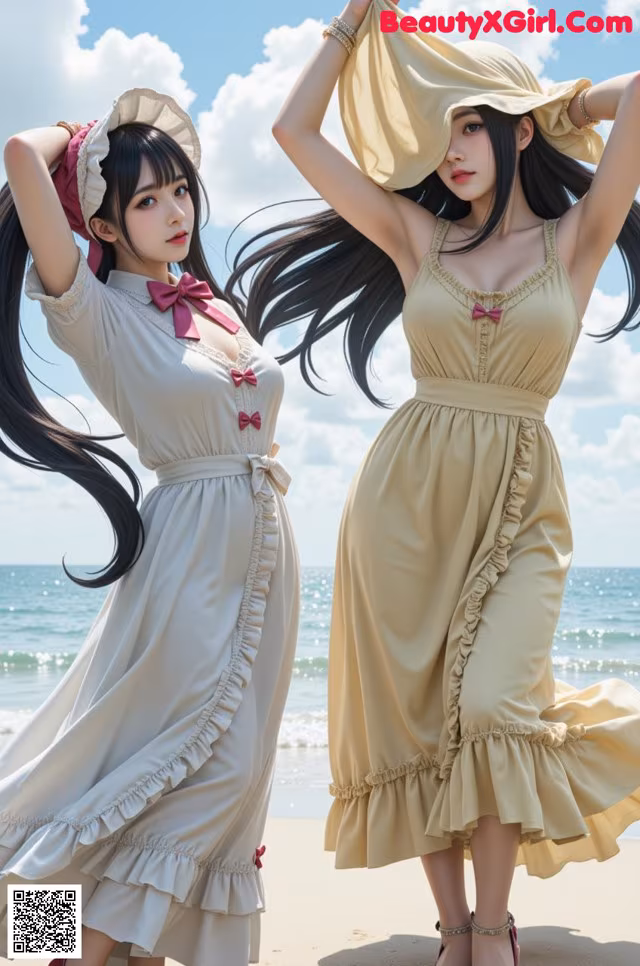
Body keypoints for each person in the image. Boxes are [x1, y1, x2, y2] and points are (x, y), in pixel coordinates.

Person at [222, 1, 640, 964]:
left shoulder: (577, 238)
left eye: (472, 125)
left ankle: (494, 928)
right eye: (441, 128)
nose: (450, 149)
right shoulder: (419, 237)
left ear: (516, 133)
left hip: (520, 500)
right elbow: (293, 133)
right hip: (401, 508)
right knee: (416, 720)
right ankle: (459, 930)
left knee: (493, 706)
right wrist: (350, 22)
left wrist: (553, 105)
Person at [0, 87, 300, 966]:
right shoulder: (96, 312)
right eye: (146, 200)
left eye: (180, 191)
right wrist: (85, 135)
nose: (176, 212)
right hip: (187, 562)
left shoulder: (213, 307)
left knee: (220, 776)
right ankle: (59, 951)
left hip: (261, 551)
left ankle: (130, 953)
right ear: (103, 223)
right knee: (173, 772)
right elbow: (19, 157)